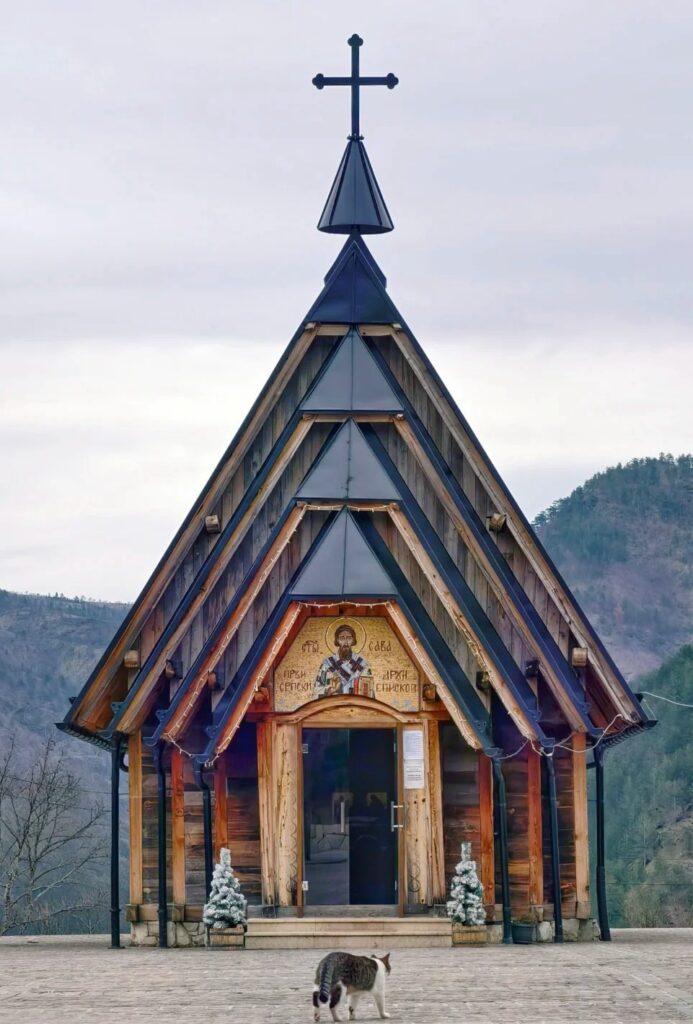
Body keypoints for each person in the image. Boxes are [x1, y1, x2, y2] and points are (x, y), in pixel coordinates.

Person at [315, 624, 372, 697]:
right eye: (342, 638)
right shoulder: (327, 664)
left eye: (349, 638)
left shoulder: (362, 664)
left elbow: (369, 694)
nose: (345, 642)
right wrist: (330, 690)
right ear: (337, 640)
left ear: (353, 640)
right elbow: (316, 691)